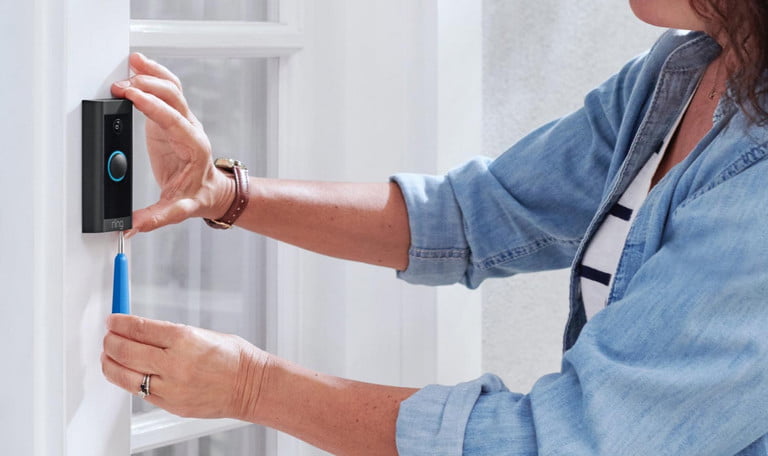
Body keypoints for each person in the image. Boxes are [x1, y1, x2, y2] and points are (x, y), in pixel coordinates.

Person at [101, 1, 768, 454]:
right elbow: (475, 215)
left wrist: (251, 386)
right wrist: (223, 193)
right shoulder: (681, 74)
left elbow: (557, 442)